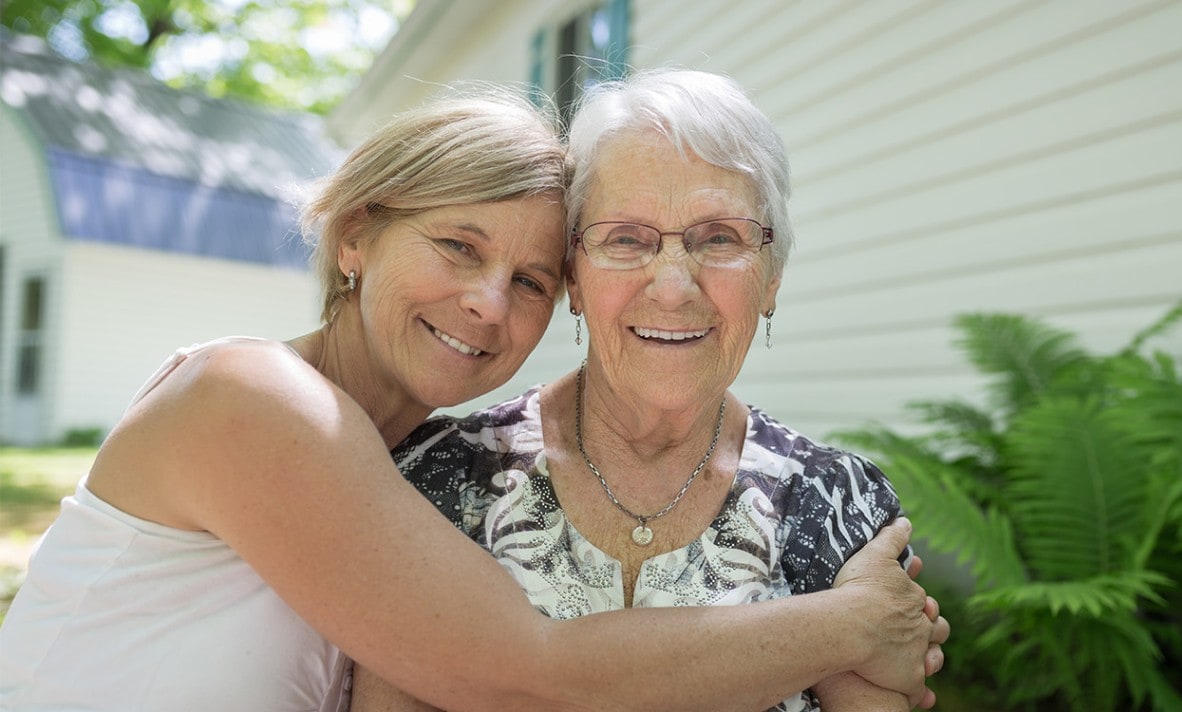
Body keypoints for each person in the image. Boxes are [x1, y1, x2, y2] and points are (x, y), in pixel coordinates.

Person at [0, 84, 942, 711]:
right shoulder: (254, 400)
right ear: (357, 235)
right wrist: (853, 624)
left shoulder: (392, 462)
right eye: (458, 248)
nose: (489, 304)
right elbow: (529, 674)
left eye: (529, 279)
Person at [361, 70, 950, 711]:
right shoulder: (437, 477)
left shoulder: (838, 504)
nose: (673, 287)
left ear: (772, 276)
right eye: (626, 239)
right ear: (575, 278)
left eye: (720, 238)